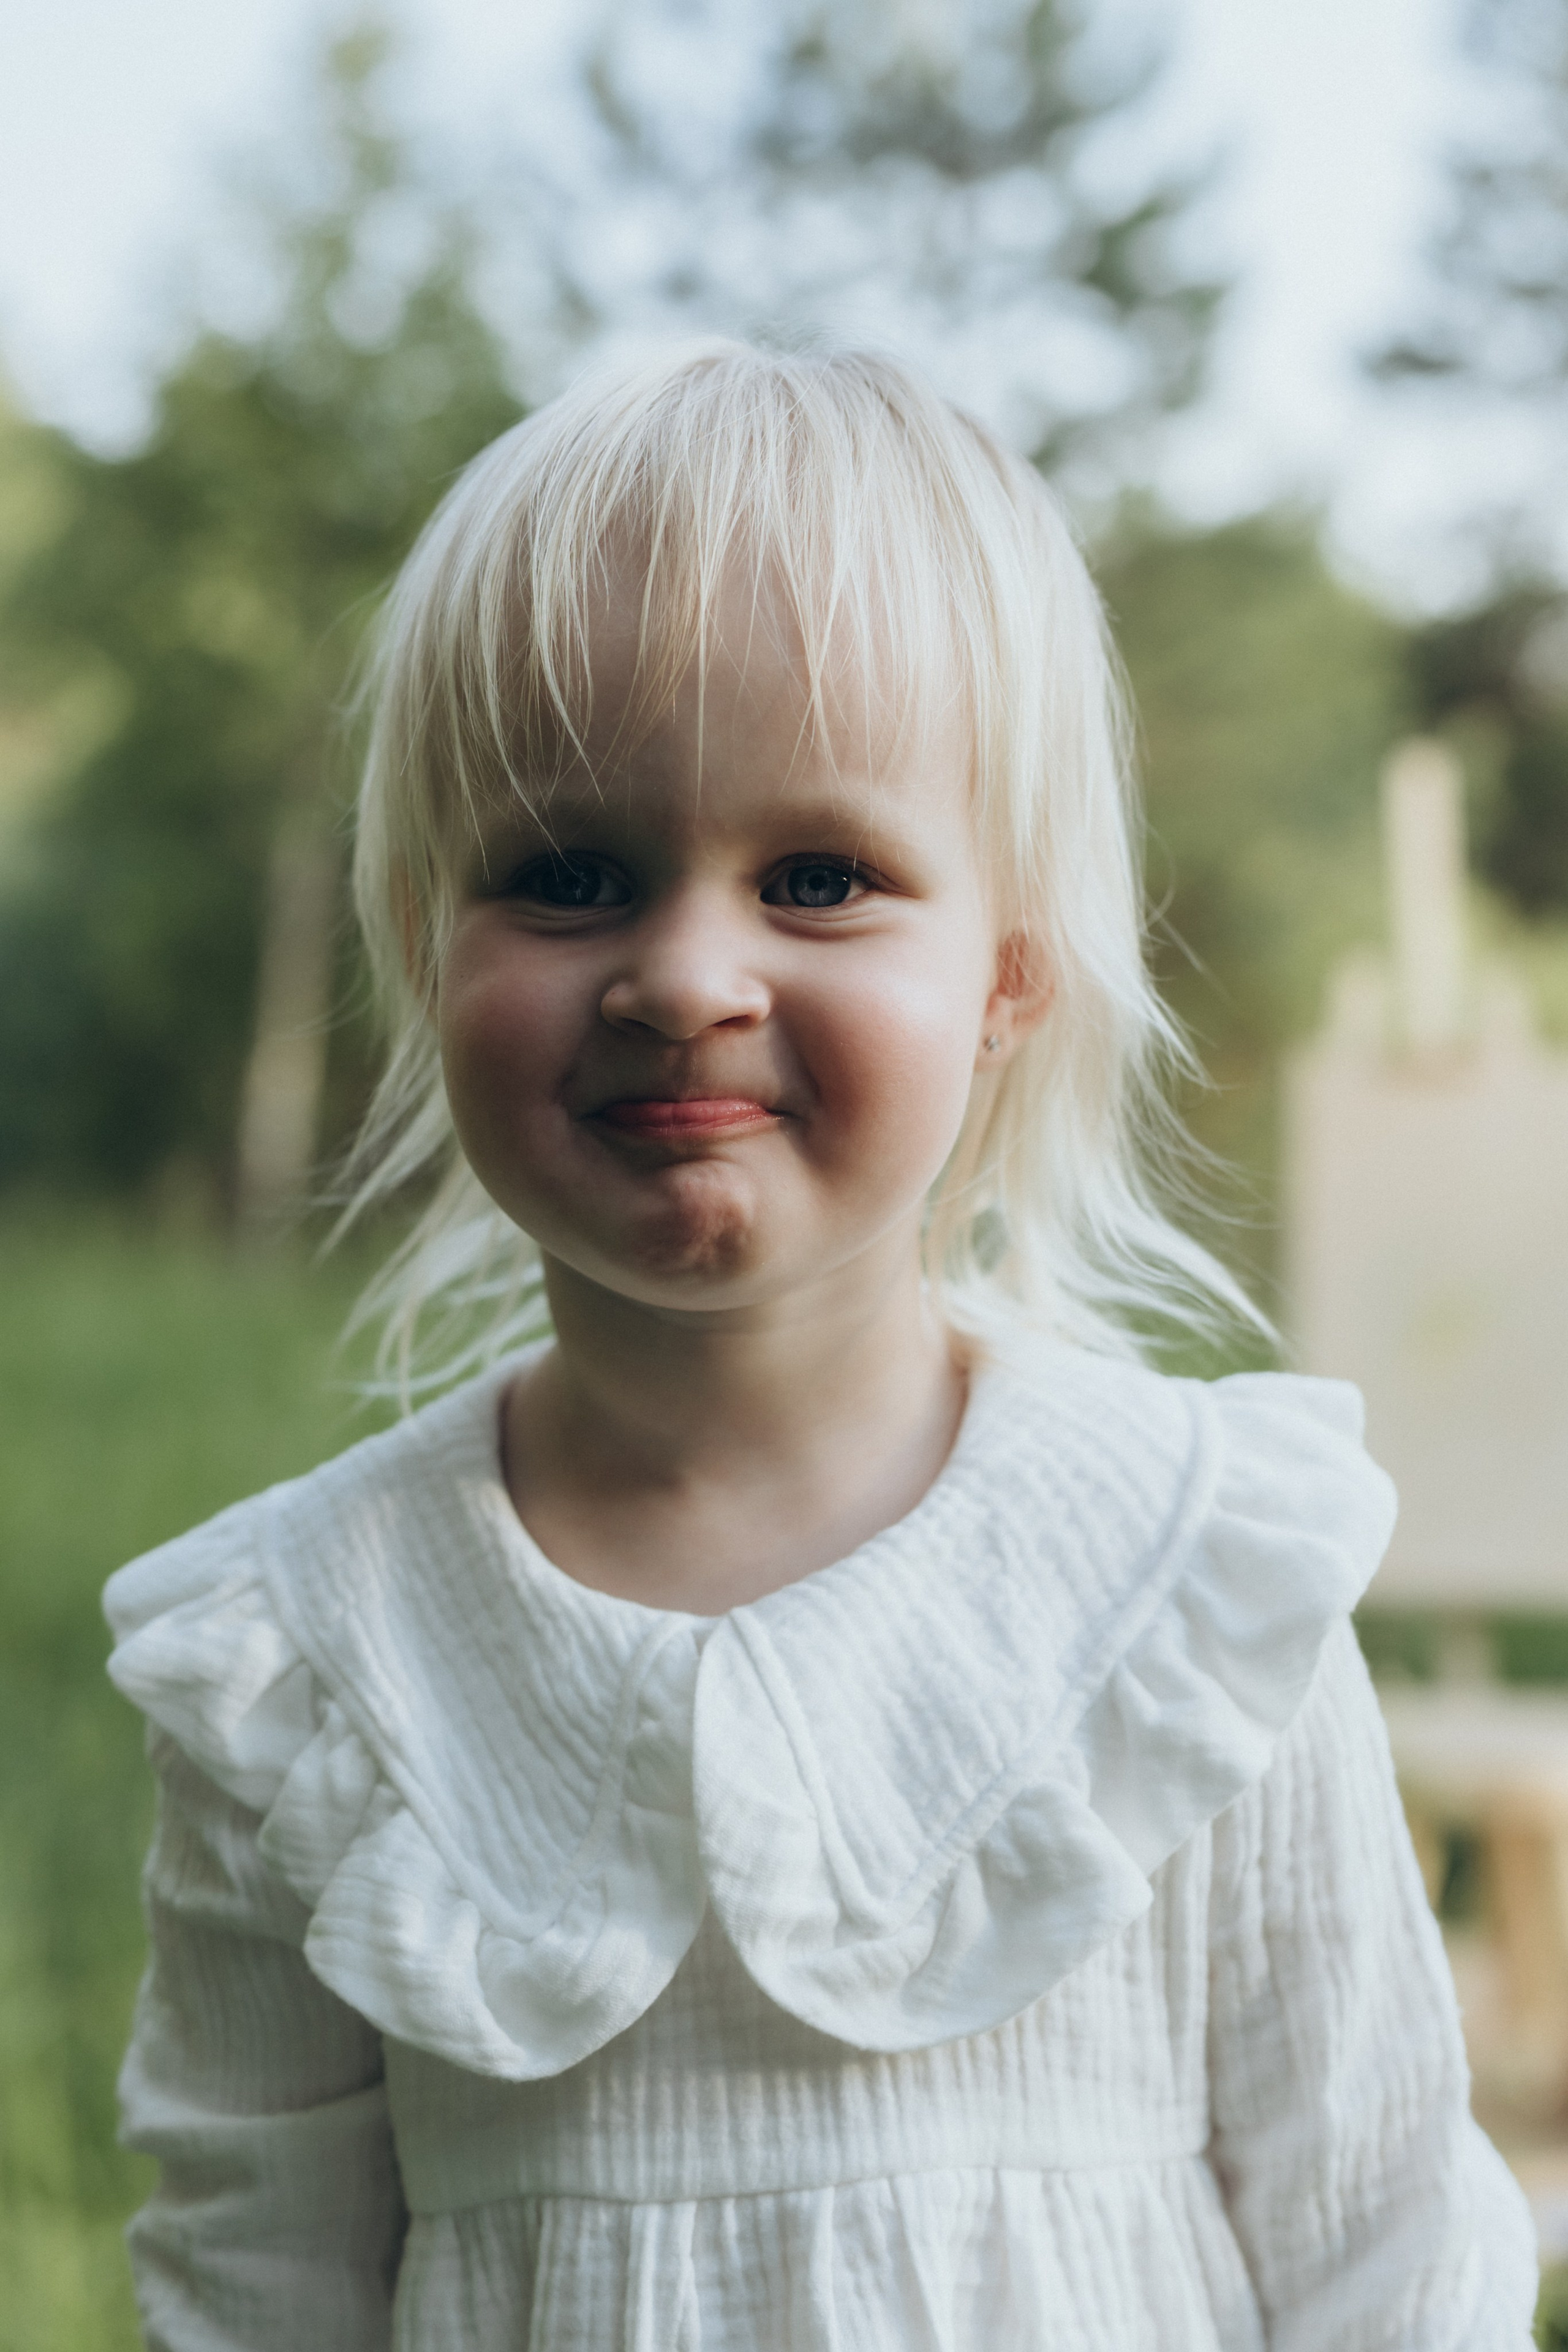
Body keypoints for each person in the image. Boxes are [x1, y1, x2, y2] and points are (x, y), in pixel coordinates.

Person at [104, 342, 1539, 2350]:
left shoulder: (1188, 1590)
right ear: (429, 947)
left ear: (1010, 972)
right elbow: (252, 2281)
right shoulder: (309, 1670)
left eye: (818, 880)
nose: (686, 975)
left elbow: (1391, 2250)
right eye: (569, 874)